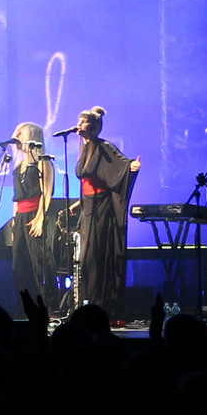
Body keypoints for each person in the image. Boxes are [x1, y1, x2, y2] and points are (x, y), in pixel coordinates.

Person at [72, 105, 140, 314]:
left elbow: (120, 165)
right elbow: (88, 179)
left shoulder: (104, 147)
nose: (79, 124)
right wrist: (80, 202)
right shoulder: (84, 149)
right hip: (89, 206)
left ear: (92, 126)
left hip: (102, 207)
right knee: (86, 258)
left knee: (96, 255)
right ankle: (88, 302)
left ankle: (100, 304)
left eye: (84, 121)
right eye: (79, 120)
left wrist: (131, 167)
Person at [7, 121, 57, 309]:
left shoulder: (43, 162)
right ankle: (25, 306)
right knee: (19, 265)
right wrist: (14, 221)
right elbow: (16, 198)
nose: (17, 137)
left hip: (37, 213)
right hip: (21, 216)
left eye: (21, 134)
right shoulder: (19, 165)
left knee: (40, 262)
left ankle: (50, 306)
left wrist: (40, 217)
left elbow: (47, 192)